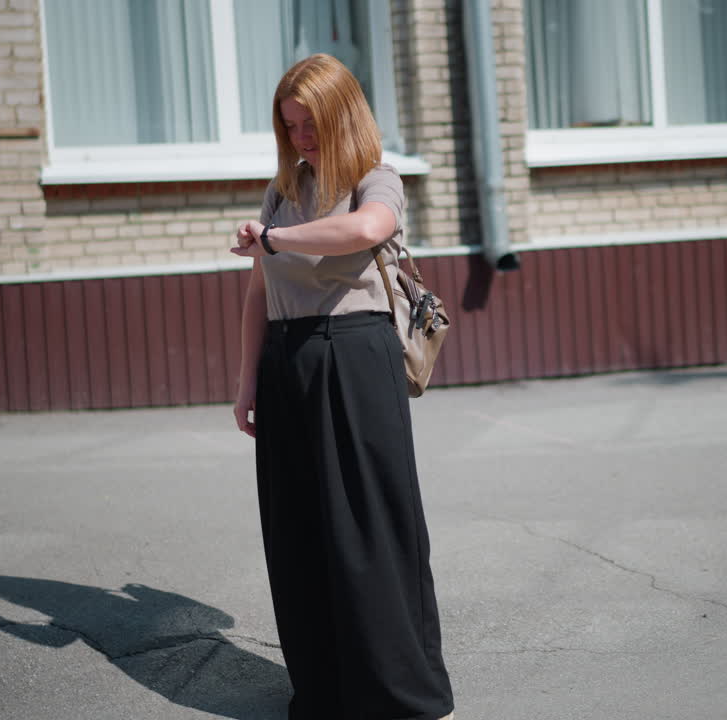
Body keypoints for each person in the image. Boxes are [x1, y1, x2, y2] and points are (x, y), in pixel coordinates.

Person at [230, 54, 455, 720]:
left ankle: (402, 696)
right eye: (289, 125)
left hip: (355, 358)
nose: (301, 138)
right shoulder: (284, 189)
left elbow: (364, 230)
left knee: (370, 528)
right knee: (298, 531)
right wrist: (246, 380)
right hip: (286, 361)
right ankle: (326, 690)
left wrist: (273, 238)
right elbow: (256, 291)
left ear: (341, 114)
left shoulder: (374, 178)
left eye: (311, 123)